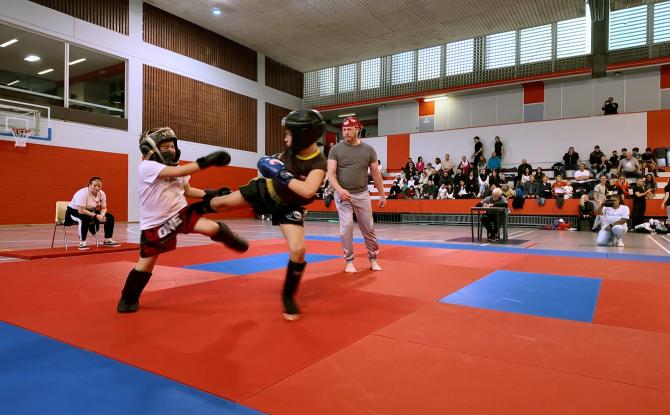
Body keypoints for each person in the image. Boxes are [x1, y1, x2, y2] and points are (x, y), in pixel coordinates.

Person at [116, 127, 248, 314]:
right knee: (146, 264)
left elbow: (187, 190)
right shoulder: (147, 167)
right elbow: (181, 171)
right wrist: (207, 161)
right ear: (149, 150)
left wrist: (212, 193)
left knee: (210, 227)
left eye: (172, 145)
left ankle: (227, 236)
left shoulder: (177, 168)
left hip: (180, 213)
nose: (171, 149)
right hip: (156, 224)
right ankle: (129, 297)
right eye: (165, 146)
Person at [327, 115, 386, 273]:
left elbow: (376, 174)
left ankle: (373, 259)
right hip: (342, 195)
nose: (346, 132)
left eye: (349, 129)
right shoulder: (335, 150)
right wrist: (339, 190)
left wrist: (382, 194)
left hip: (362, 194)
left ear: (358, 129)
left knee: (369, 228)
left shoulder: (368, 150)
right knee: (346, 227)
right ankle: (349, 261)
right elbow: (330, 174)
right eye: (344, 129)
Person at [66, 177, 120, 250]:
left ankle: (108, 240)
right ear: (89, 185)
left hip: (90, 211)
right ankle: (82, 242)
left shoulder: (101, 193)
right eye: (95, 185)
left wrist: (102, 215)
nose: (97, 188)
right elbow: (81, 211)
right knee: (84, 219)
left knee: (110, 217)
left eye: (99, 186)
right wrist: (97, 216)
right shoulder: (82, 193)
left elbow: (104, 208)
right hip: (74, 211)